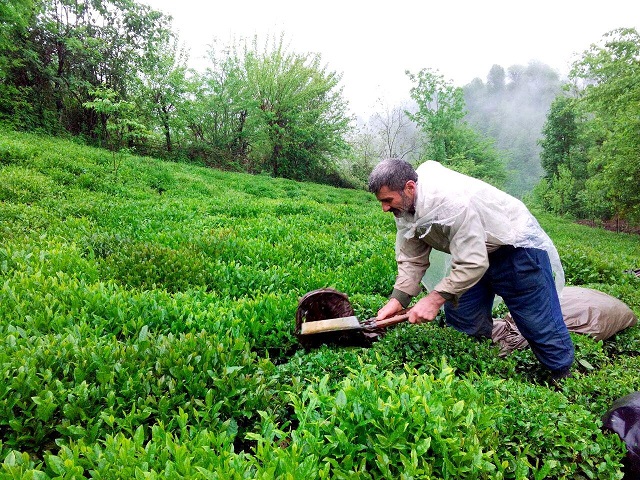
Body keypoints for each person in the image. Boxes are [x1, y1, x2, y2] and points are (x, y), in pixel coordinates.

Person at [368, 159, 574, 380]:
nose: (384, 208)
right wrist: (398, 299)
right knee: (462, 318)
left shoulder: (449, 201)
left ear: (409, 187)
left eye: (388, 200)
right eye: (382, 201)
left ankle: (561, 374)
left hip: (514, 250)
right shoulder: (405, 208)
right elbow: (411, 257)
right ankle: (479, 369)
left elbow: (473, 261)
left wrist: (434, 299)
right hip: (472, 255)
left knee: (537, 322)